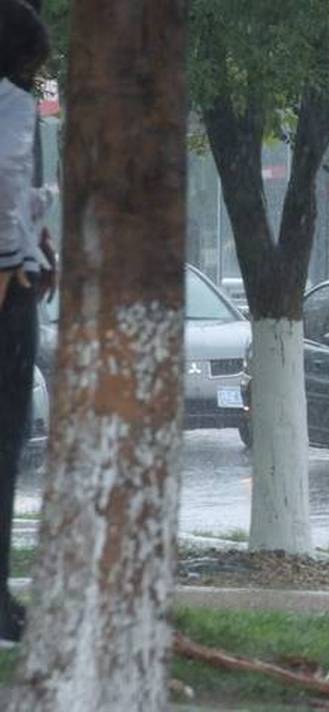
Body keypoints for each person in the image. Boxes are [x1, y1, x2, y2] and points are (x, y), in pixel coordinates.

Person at [0, 0, 54, 644]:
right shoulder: (12, 105)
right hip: (10, 299)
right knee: (5, 447)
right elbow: (8, 187)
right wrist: (16, 265)